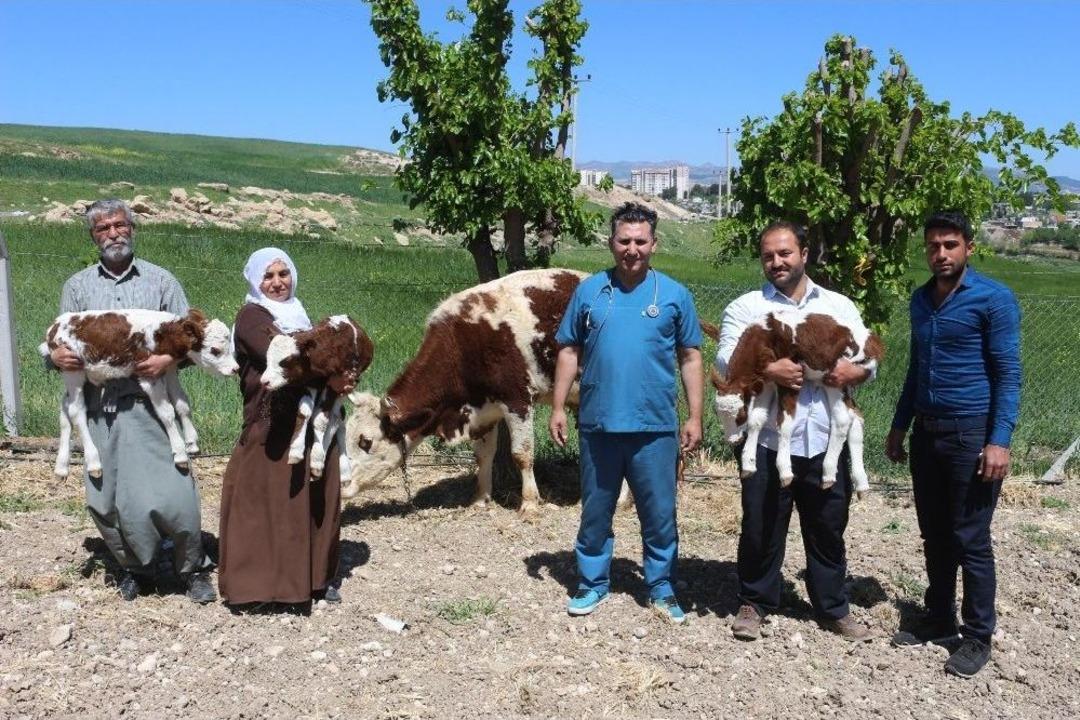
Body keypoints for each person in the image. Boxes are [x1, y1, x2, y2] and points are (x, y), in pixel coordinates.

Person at [48, 199, 216, 603]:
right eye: (103, 228)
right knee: (107, 498)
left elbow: (193, 339)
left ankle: (192, 568)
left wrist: (168, 358)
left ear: (132, 228)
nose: (113, 234)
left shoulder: (161, 282)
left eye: (119, 225)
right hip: (99, 405)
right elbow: (59, 339)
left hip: (151, 405)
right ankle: (135, 569)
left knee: (175, 492)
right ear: (93, 236)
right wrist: (53, 357)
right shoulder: (77, 286)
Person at [718, 221, 874, 642]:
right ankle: (755, 601)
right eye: (768, 255)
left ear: (804, 253)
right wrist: (767, 368)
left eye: (785, 253)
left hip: (825, 438)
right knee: (761, 523)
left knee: (828, 525)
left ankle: (832, 607)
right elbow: (725, 360)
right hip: (768, 436)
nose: (777, 262)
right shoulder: (746, 307)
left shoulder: (840, 305)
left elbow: (866, 356)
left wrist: (856, 371)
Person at [550, 202, 703, 624]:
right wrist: (559, 406)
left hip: (655, 425)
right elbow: (568, 349)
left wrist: (694, 416)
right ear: (611, 242)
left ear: (654, 244)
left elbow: (690, 356)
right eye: (624, 241)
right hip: (599, 422)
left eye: (640, 241)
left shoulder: (673, 295)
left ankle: (660, 586)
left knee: (659, 512)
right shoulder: (590, 291)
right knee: (596, 509)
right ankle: (593, 583)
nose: (631, 249)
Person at [886, 210, 1021, 678]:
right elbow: (915, 369)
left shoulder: (993, 300)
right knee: (935, 533)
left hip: (971, 434)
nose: (940, 254)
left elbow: (1009, 376)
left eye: (949, 245)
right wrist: (900, 426)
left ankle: (978, 635)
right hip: (928, 432)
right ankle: (939, 618)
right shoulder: (921, 300)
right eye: (932, 246)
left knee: (971, 538)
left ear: (969, 247)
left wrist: (999, 441)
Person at [217, 247, 345, 610]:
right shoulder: (251, 317)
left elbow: (322, 352)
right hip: (272, 421)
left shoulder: (300, 316)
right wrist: (336, 371)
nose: (277, 283)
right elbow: (286, 356)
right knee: (266, 501)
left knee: (317, 497)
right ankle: (256, 586)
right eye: (268, 276)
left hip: (313, 419)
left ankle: (314, 579)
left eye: (283, 274)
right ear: (256, 282)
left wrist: (336, 372)